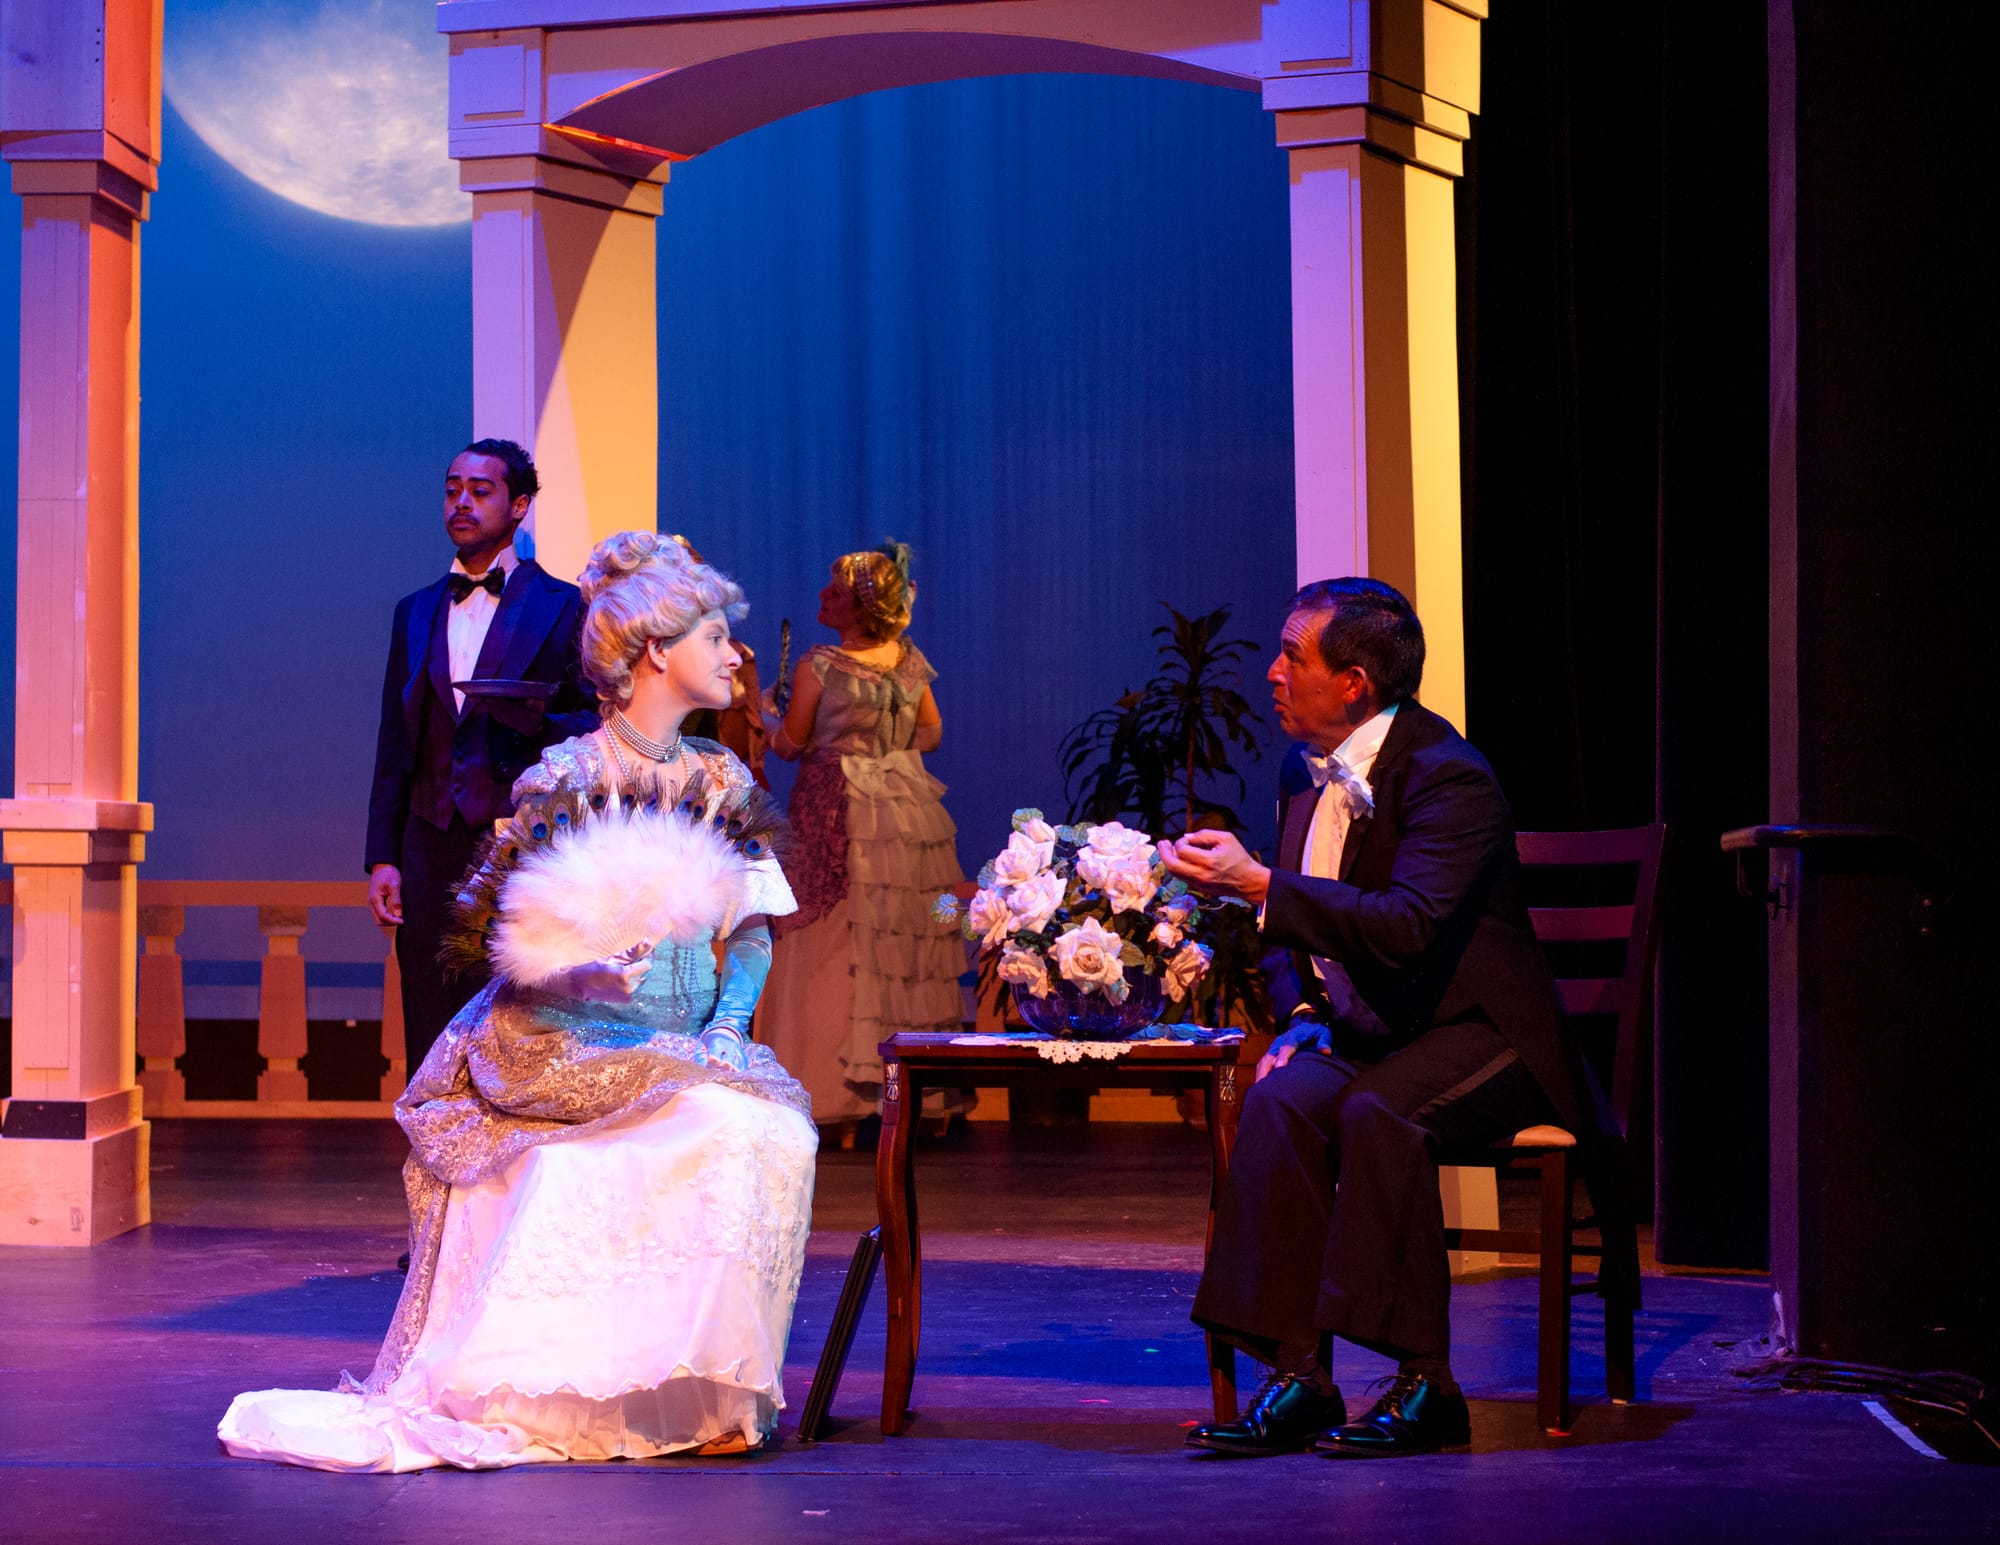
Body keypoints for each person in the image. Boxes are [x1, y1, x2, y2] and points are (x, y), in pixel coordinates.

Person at [221, 534, 816, 1471]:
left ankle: (706, 1386)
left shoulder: (722, 781)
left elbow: (748, 927)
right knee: (715, 1128)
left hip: (687, 1036)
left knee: (771, 1129)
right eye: (714, 633)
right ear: (658, 650)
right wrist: (585, 973)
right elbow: (517, 944)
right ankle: (576, 1388)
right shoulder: (565, 779)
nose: (734, 653)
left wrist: (728, 1026)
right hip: (563, 1034)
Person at [1162, 577, 1595, 1459]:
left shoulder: (1450, 777)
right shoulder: (1301, 769)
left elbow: (1405, 926)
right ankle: (1301, 1377)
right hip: (1380, 1028)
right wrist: (1308, 1011)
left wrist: (1256, 884)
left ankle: (1428, 1385)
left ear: (1354, 680)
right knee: (1280, 1102)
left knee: (1377, 1111)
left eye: (1294, 655)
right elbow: (1293, 929)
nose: (1274, 672)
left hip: (1487, 1034)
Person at [365, 439, 597, 1075]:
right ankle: (432, 1162)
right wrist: (383, 855)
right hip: (427, 837)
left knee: (514, 1015)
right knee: (428, 1012)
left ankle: (506, 1165)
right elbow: (395, 736)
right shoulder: (413, 611)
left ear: (519, 506)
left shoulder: (565, 605)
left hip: (515, 838)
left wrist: (530, 716)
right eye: (452, 488)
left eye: (481, 490)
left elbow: (593, 723)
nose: (461, 501)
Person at [758, 542, 966, 1130]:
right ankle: (901, 1096)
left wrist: (767, 714)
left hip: (835, 804)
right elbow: (931, 735)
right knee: (899, 936)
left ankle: (827, 1093)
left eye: (837, 592)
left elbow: (791, 746)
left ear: (859, 606)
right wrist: (886, 755)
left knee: (828, 936)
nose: (824, 597)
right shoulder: (909, 661)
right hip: (904, 809)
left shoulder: (819, 665)